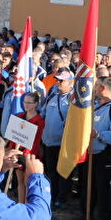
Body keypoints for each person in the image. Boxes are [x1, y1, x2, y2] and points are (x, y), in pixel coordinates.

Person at [80, 77, 111, 220]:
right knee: (88, 184)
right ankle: (86, 212)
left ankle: (105, 219)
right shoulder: (94, 104)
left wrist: (99, 134)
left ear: (103, 88)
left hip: (105, 153)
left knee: (103, 187)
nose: (94, 88)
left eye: (97, 86)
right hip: (90, 152)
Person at [40, 68, 73, 208]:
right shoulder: (53, 96)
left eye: (62, 81)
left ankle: (62, 198)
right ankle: (52, 196)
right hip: (48, 141)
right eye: (58, 80)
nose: (58, 83)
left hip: (62, 143)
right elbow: (43, 114)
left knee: (62, 172)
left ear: (70, 83)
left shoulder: (73, 101)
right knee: (51, 171)